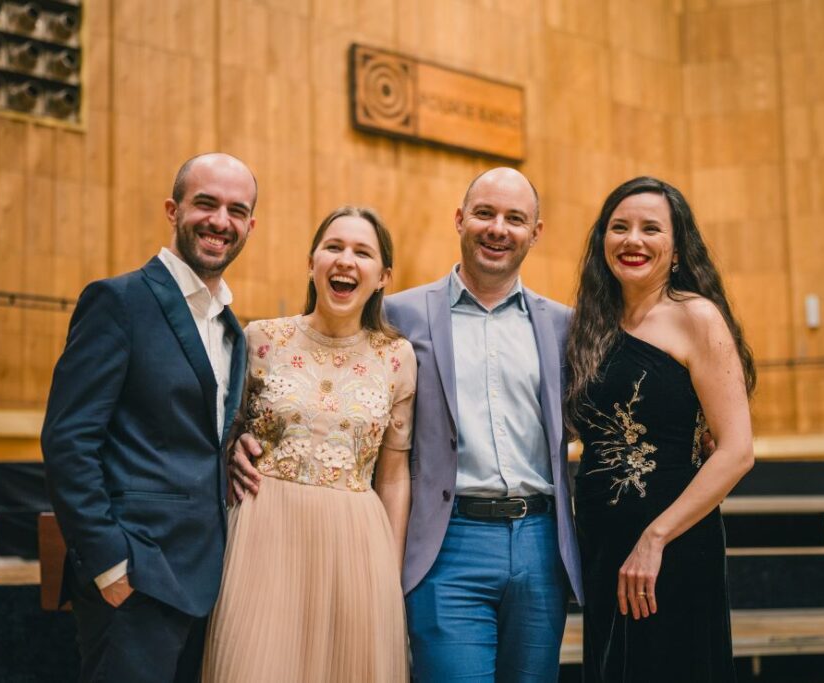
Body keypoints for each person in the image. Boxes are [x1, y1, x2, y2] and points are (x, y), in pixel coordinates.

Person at [41, 152, 258, 683]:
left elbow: (197, 433)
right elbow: (68, 442)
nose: (220, 221)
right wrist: (110, 564)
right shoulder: (118, 302)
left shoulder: (232, 327)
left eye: (236, 210)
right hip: (134, 578)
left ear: (251, 225)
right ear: (173, 209)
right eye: (205, 204)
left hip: (209, 580)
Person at [201, 206, 416, 682]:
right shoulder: (260, 338)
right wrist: (233, 447)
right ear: (311, 262)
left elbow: (395, 472)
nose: (345, 260)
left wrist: (390, 570)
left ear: (382, 277)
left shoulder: (397, 357)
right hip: (264, 532)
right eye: (333, 247)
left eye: (362, 252)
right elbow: (222, 435)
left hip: (357, 543)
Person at [385, 167, 581, 681]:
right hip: (447, 544)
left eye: (515, 219)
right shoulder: (398, 314)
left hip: (540, 543)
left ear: (535, 232)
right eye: (485, 213)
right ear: (459, 219)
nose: (498, 229)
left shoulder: (564, 326)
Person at [566, 176, 755, 682]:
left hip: (671, 545)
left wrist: (655, 538)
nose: (633, 240)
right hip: (604, 547)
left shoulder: (697, 317)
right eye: (619, 227)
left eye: (651, 228)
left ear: (676, 249)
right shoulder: (590, 326)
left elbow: (736, 451)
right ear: (601, 240)